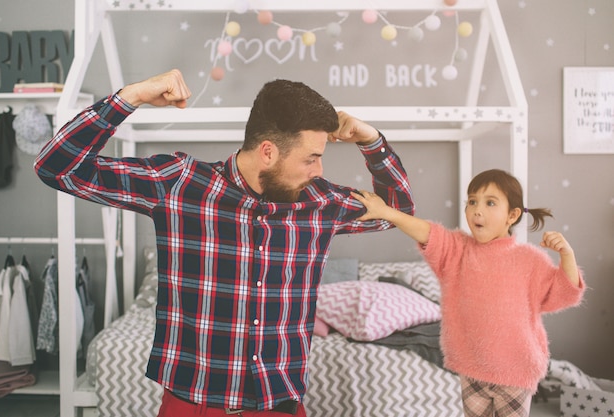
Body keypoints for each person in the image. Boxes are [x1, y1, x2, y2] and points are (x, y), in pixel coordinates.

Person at [33, 69, 415, 416]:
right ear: (268, 151)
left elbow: (399, 210)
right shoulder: (179, 184)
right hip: (194, 403)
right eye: (311, 158)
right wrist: (131, 97)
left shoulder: (319, 202)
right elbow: (56, 167)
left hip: (279, 403)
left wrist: (371, 140)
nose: (319, 170)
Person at [352, 168, 585, 417]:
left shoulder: (529, 260)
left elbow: (565, 293)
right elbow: (428, 232)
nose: (477, 209)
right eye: (472, 201)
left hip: (516, 371)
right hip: (471, 369)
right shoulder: (458, 250)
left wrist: (567, 256)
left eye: (490, 202)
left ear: (512, 215)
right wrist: (386, 213)